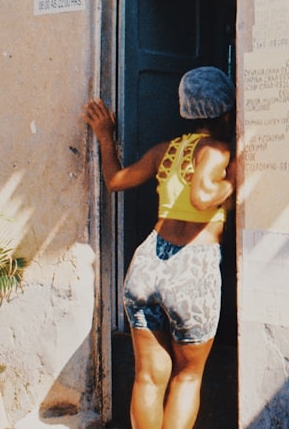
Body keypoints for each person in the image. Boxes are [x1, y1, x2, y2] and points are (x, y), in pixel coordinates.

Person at [84, 66, 235, 429]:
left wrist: (105, 136)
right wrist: (232, 187)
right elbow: (201, 197)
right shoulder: (217, 150)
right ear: (228, 112)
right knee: (187, 378)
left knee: (148, 378)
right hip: (191, 267)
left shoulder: (165, 151)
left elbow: (116, 180)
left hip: (149, 263)